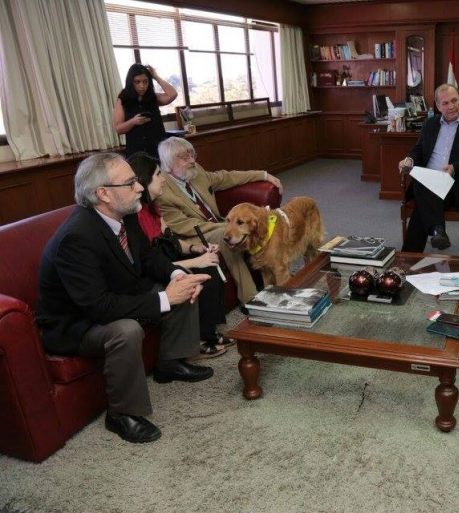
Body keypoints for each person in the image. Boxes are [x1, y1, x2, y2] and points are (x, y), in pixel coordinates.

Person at [36, 153, 214, 444]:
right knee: (126, 330)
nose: (140, 187)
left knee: (181, 283)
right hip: (76, 324)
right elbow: (99, 307)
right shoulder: (76, 238)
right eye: (130, 183)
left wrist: (177, 275)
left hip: (116, 295)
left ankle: (171, 362)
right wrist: (165, 299)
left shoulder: (125, 214)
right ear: (103, 194)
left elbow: (148, 256)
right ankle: (121, 414)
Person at [129, 151, 234, 358]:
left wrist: (196, 249)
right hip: (154, 270)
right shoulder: (135, 216)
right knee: (201, 272)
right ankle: (200, 339)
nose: (163, 179)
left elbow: (171, 243)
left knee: (209, 265)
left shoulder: (154, 207)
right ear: (144, 180)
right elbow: (151, 261)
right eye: (158, 175)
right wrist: (196, 261)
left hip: (165, 260)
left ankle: (208, 332)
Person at [154, 137, 283, 303]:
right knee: (227, 235)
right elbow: (186, 227)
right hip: (193, 235)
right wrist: (227, 226)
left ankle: (275, 274)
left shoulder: (195, 171)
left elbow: (225, 177)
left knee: (259, 224)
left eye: (192, 154)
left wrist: (263, 175)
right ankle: (250, 298)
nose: (192, 161)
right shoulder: (163, 191)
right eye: (185, 157)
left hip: (217, 224)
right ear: (169, 163)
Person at [398, 83, 459, 252]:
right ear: (438, 106)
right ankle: (437, 230)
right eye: (445, 103)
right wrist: (409, 160)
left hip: (455, 183)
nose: (451, 106)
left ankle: (410, 255)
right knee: (421, 181)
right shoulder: (430, 124)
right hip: (428, 181)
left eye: (454, 100)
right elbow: (419, 149)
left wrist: (455, 167)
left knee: (421, 197)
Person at [112, 64, 178, 158]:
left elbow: (173, 94)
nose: (142, 86)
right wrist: (133, 122)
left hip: (158, 149)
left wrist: (156, 76)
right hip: (136, 152)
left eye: (145, 81)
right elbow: (118, 129)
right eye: (137, 82)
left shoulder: (153, 97)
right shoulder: (123, 99)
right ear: (131, 82)